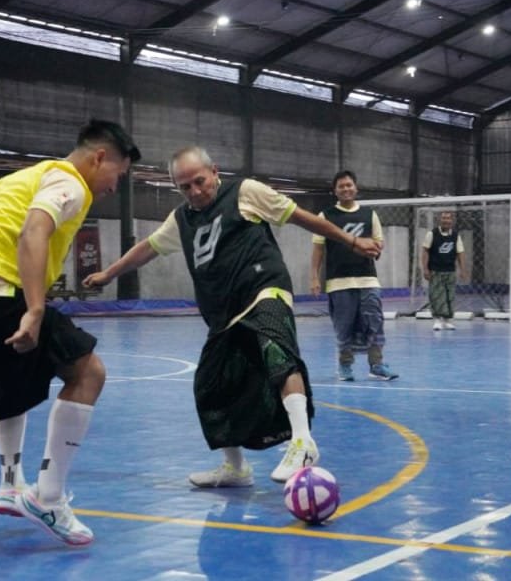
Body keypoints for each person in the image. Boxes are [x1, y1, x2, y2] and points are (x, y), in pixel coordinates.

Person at [83, 146, 381, 486]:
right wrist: (110, 273)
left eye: (199, 181)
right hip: (224, 313)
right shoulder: (181, 219)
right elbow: (147, 248)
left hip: (264, 288)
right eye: (185, 187)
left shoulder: (245, 192)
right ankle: (236, 468)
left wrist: (352, 243)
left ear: (214, 171)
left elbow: (302, 217)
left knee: (277, 353)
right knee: (210, 386)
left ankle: (303, 442)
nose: (195, 192)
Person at [0, 119, 140, 546]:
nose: (115, 187)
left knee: (13, 377)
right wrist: (36, 309)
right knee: (88, 373)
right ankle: (49, 499)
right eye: (119, 174)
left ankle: (10, 483)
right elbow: (33, 230)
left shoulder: (22, 178)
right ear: (99, 157)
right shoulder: (71, 183)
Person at [309, 170, 399, 382]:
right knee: (344, 325)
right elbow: (318, 250)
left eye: (349, 185)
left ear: (356, 188)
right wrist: (314, 277)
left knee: (374, 322)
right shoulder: (326, 216)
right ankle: (345, 365)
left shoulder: (370, 215)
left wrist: (372, 248)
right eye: (341, 186)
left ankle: (376, 365)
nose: (346, 189)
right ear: (335, 191)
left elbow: (379, 243)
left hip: (368, 279)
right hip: (338, 282)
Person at [421, 210, 467, 331]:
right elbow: (425, 251)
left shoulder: (456, 236)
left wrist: (463, 270)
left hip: (450, 271)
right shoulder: (432, 234)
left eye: (448, 218)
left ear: (452, 221)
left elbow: (460, 252)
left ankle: (447, 320)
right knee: (436, 296)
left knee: (449, 296)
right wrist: (425, 268)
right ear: (439, 220)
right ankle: (437, 319)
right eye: (444, 218)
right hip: (435, 270)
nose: (446, 220)